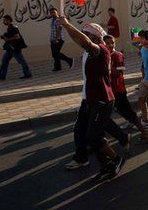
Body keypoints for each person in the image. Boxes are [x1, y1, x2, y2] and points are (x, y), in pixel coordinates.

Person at [57, 19, 127, 181]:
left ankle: (116, 159)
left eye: (86, 33)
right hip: (90, 99)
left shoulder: (100, 50)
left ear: (95, 37)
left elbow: (85, 41)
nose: (83, 36)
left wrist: (67, 25)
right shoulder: (88, 51)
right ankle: (106, 165)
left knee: (92, 137)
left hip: (102, 100)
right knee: (89, 135)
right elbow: (81, 41)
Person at [104, 35, 148, 143]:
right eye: (108, 43)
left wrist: (108, 66)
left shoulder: (116, 55)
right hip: (109, 91)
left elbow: (120, 71)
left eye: (112, 43)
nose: (110, 45)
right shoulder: (106, 55)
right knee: (120, 112)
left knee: (128, 113)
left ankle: (145, 133)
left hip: (118, 91)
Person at [0, 15, 31, 80]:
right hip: (10, 48)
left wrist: (8, 39)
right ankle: (2, 76)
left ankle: (28, 74)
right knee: (4, 60)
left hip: (15, 48)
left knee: (22, 61)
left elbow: (17, 37)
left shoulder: (13, 27)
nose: (3, 22)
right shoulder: (9, 28)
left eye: (5, 20)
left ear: (9, 20)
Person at [49, 7, 74, 71]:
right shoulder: (53, 20)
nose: (52, 14)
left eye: (54, 12)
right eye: (51, 13)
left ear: (57, 12)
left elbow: (59, 29)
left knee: (56, 53)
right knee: (54, 54)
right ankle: (58, 67)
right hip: (52, 39)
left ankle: (69, 60)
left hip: (58, 39)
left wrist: (56, 39)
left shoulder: (58, 20)